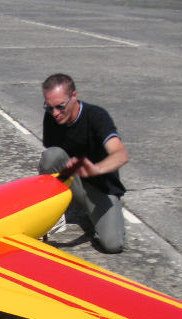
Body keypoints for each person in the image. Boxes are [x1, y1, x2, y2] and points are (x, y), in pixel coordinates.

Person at [38, 73, 129, 253]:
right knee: (52, 155)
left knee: (113, 245)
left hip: (101, 189)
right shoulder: (51, 118)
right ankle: (53, 211)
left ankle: (107, 213)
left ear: (74, 96)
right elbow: (51, 161)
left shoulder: (96, 117)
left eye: (60, 106)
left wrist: (97, 169)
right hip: (73, 183)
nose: (55, 113)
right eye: (49, 107)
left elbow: (121, 155)